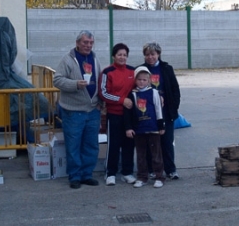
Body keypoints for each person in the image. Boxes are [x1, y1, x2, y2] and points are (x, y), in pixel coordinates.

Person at [53, 30, 102, 189]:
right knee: (73, 145)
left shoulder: (94, 59)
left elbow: (100, 80)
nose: (88, 45)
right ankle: (74, 176)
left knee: (91, 145)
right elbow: (57, 79)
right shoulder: (67, 60)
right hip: (73, 111)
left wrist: (101, 101)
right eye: (85, 42)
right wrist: (75, 85)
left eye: (90, 43)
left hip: (92, 110)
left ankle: (87, 175)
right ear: (77, 43)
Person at [141, 42, 181, 180]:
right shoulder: (141, 70)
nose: (150, 57)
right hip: (148, 112)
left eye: (153, 54)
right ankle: (152, 169)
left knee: (167, 141)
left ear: (158, 54)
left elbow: (175, 90)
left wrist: (173, 108)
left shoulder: (167, 68)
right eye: (147, 54)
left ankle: (171, 169)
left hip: (166, 112)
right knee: (150, 141)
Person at [99, 43, 136, 186]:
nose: (122, 57)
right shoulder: (107, 72)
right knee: (113, 145)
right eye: (119, 54)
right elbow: (103, 93)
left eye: (125, 55)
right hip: (114, 114)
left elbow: (139, 87)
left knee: (129, 144)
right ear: (114, 56)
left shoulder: (133, 71)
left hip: (130, 116)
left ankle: (127, 172)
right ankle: (110, 173)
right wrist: (122, 101)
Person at [124, 66, 166, 188]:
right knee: (141, 155)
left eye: (144, 80)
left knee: (156, 154)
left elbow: (158, 109)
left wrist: (161, 125)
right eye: (139, 79)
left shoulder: (154, 92)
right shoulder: (132, 94)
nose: (141, 82)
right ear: (135, 80)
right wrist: (129, 127)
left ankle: (159, 177)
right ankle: (142, 177)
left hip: (153, 128)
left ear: (149, 81)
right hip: (139, 129)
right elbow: (128, 113)